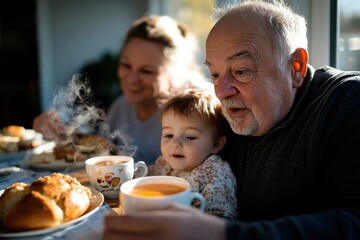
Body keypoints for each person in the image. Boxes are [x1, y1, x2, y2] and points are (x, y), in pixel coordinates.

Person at [103, 1, 360, 239]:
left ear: (295, 67)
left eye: (240, 71)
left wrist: (220, 234)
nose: (222, 91)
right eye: (215, 74)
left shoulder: (348, 101)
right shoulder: (227, 114)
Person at [32, 15, 212, 165]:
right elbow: (99, 149)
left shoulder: (195, 107)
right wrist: (66, 135)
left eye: (146, 71)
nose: (131, 79)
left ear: (177, 72)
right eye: (126, 65)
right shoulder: (122, 107)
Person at [148, 88, 237, 221]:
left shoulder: (215, 174)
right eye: (169, 135)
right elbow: (145, 181)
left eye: (190, 137)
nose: (175, 143)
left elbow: (220, 222)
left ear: (217, 145)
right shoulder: (164, 163)